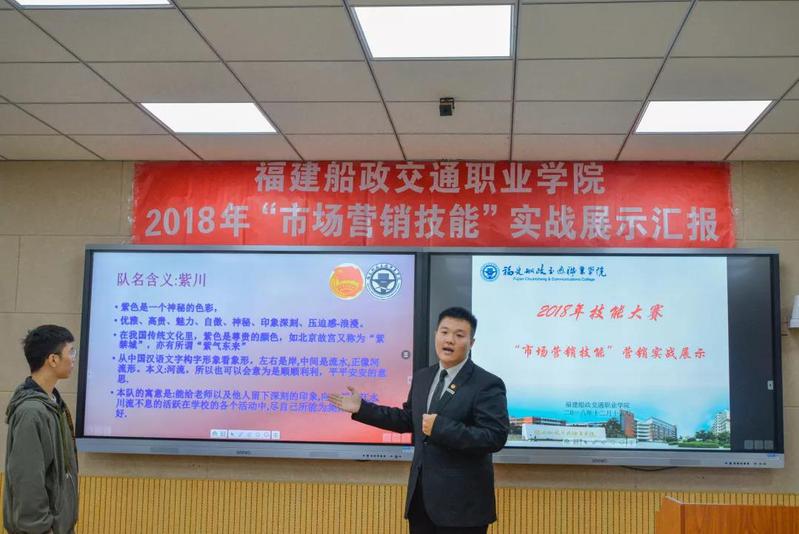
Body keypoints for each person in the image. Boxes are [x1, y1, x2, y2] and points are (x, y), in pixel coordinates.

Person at [330, 307, 509, 534]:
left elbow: (494, 437)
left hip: (462, 509)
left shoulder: (486, 384)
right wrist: (363, 409)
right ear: (436, 334)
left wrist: (441, 427)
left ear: (471, 343)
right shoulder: (424, 377)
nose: (449, 340)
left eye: (459, 335)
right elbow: (409, 419)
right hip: (422, 503)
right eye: (444, 332)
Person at [4, 325, 79, 534]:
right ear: (53, 359)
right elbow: (27, 482)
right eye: (71, 352)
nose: (73, 359)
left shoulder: (52, 404)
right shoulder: (31, 412)